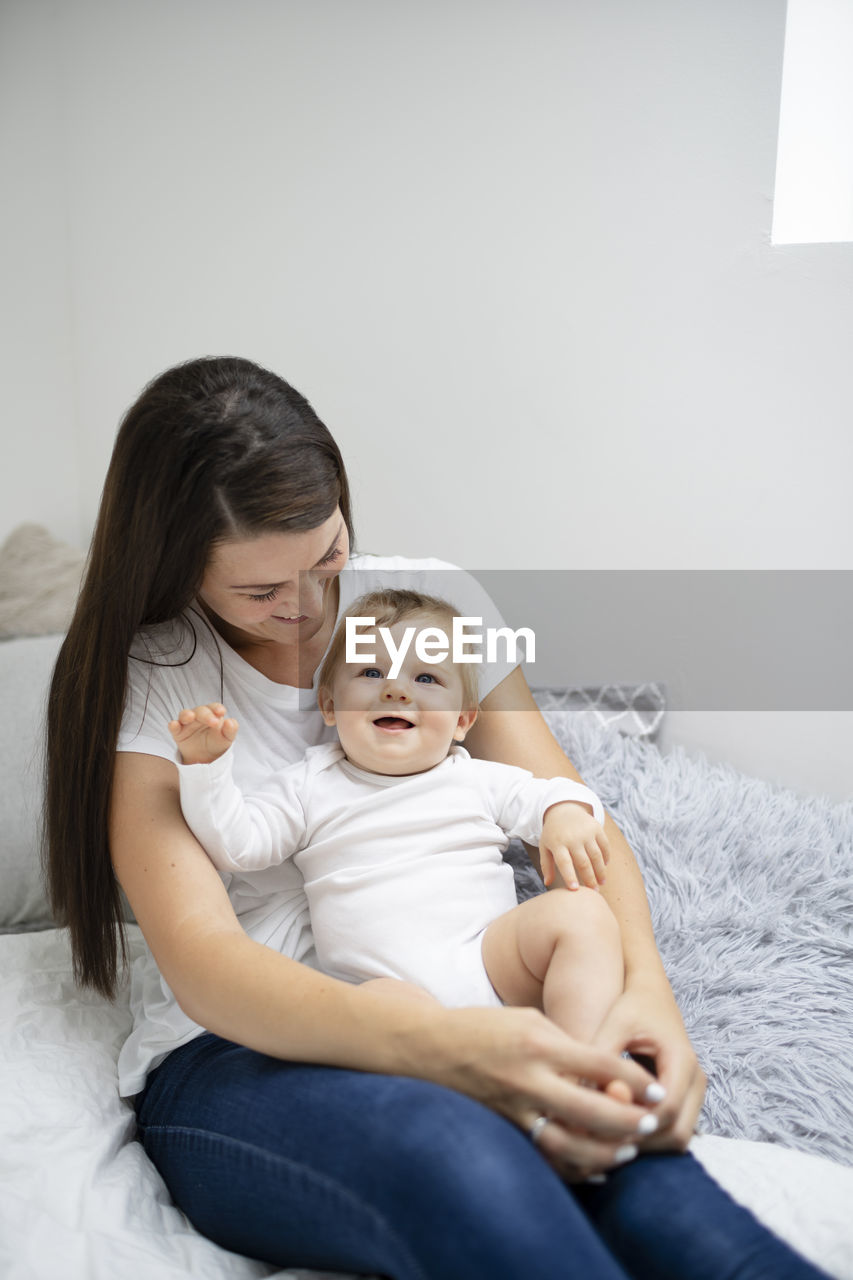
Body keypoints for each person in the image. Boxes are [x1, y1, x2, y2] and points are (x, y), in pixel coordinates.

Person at [44, 356, 830, 1279]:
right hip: (240, 1050)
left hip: (469, 993)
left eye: (326, 557)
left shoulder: (431, 600)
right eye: (258, 593)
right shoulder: (155, 672)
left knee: (648, 1181)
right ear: (173, 568)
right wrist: (443, 1048)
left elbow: (565, 810)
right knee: (461, 1160)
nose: (304, 612)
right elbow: (206, 962)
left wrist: (646, 998)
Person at [168, 588, 626, 1052]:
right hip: (385, 989)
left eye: (426, 677)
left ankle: (583, 1063)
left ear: (463, 719)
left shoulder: (477, 779)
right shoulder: (309, 785)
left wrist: (564, 814)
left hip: (491, 961)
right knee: (382, 1007)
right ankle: (497, 1082)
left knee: (583, 912)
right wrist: (206, 769)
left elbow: (550, 792)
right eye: (370, 672)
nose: (396, 689)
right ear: (329, 706)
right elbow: (239, 846)